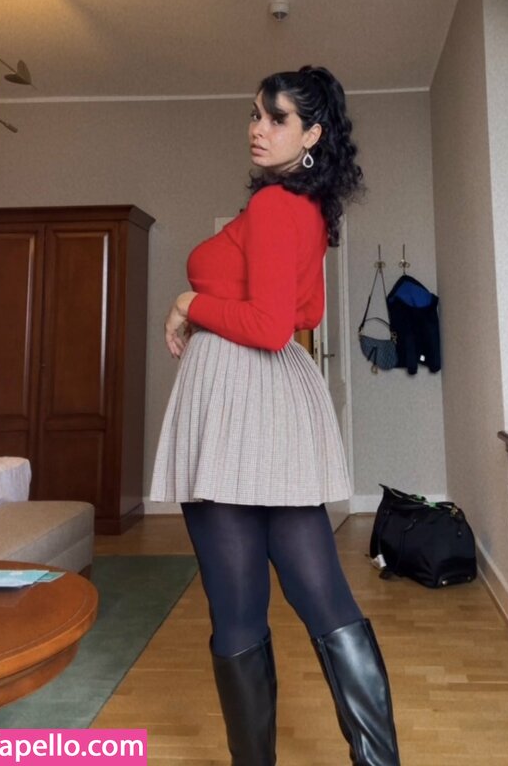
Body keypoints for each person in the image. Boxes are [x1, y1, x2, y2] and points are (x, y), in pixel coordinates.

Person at [150, 65, 401, 766]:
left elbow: (267, 326)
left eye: (277, 118)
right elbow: (307, 314)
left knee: (237, 609)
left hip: (235, 401)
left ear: (311, 134)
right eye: (256, 114)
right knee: (322, 592)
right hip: (279, 402)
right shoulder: (310, 211)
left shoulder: (269, 207)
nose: (258, 129)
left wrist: (189, 304)